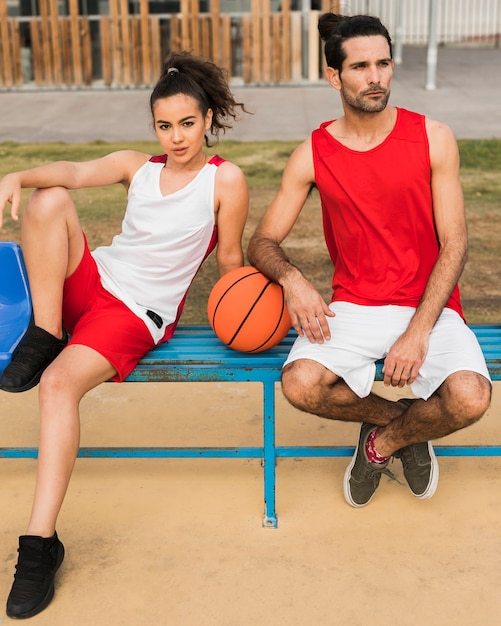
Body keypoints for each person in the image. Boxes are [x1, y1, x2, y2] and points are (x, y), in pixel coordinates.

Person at [0, 51, 249, 619]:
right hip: (95, 283)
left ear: (208, 118)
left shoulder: (224, 180)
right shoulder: (138, 166)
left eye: (188, 123)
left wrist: (251, 312)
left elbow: (231, 262)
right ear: (154, 127)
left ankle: (40, 546)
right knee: (48, 200)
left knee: (57, 387)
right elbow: (73, 173)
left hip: (135, 313)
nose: (177, 136)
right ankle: (45, 331)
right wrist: (15, 173)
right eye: (165, 125)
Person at [247, 13, 491, 510]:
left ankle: (382, 443)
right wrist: (293, 279)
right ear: (334, 76)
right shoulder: (313, 153)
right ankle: (406, 424)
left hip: (430, 306)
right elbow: (263, 241)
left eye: (383, 63)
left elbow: (456, 243)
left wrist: (418, 330)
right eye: (360, 66)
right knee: (299, 385)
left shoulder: (433, 137)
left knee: (470, 398)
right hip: (355, 306)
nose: (376, 76)